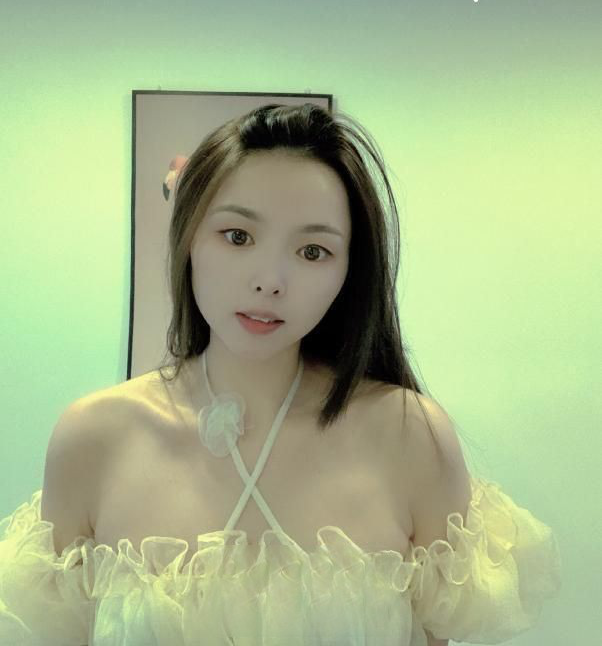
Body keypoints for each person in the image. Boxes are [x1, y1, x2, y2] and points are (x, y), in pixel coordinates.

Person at [0, 103, 561, 645]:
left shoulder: (411, 435)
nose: (270, 279)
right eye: (238, 237)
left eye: (312, 251)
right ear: (189, 239)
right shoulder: (94, 438)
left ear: (349, 270)